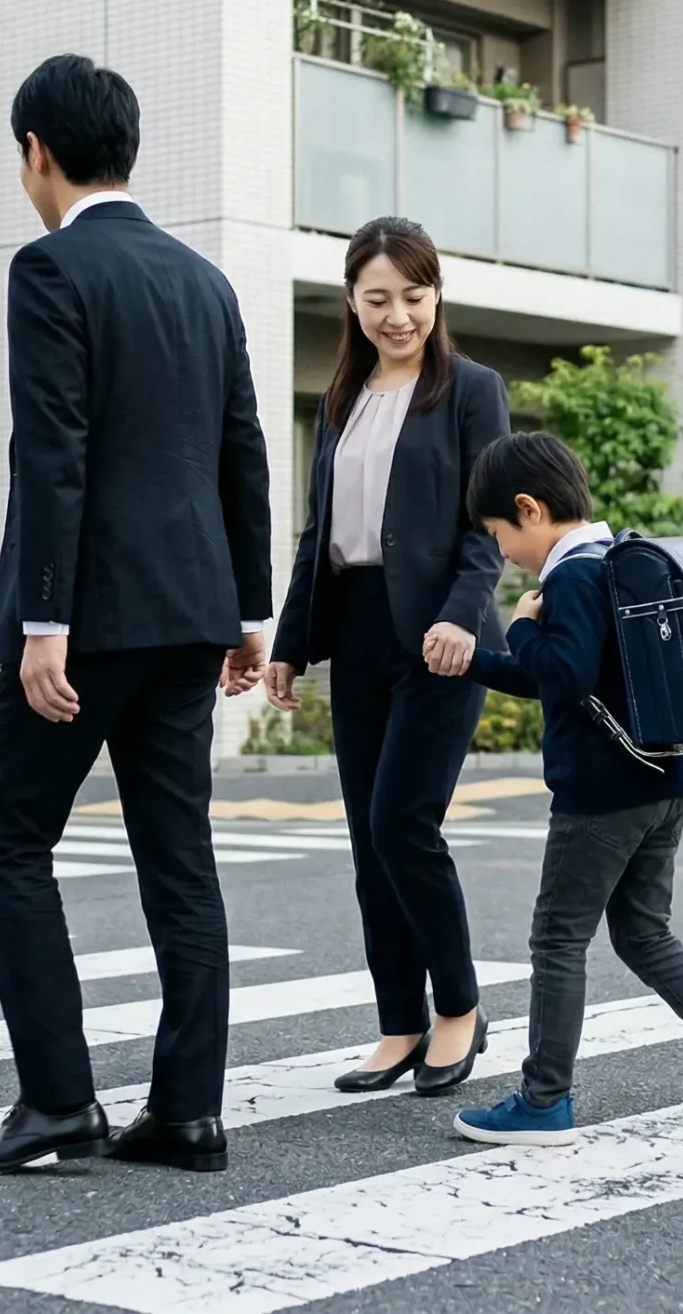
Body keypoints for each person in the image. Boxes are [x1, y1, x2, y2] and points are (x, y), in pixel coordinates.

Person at [0, 55, 272, 1177]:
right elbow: (242, 449)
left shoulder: (50, 269)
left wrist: (44, 624)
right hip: (190, 616)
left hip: (84, 627)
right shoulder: (203, 280)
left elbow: (55, 452)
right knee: (178, 858)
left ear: (37, 150)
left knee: (7, 837)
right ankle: (186, 1113)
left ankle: (57, 1101)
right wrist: (248, 609)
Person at [447, 431, 683, 1148]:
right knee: (643, 932)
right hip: (660, 781)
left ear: (529, 508)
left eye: (499, 534)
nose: (503, 551)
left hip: (600, 794)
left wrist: (517, 627)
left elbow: (565, 672)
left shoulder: (573, 577)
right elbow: (571, 678)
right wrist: (477, 663)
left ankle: (544, 1100)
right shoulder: (612, 563)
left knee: (556, 936)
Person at [262, 217, 511, 1097]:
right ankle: (398, 1023)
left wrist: (460, 619)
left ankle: (460, 1008)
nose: (397, 314)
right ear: (352, 304)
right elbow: (318, 533)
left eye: (412, 295)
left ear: (435, 294)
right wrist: (291, 641)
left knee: (404, 822)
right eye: (378, 298)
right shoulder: (343, 398)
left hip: (444, 637)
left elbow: (488, 526)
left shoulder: (473, 390)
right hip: (360, 628)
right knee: (370, 841)